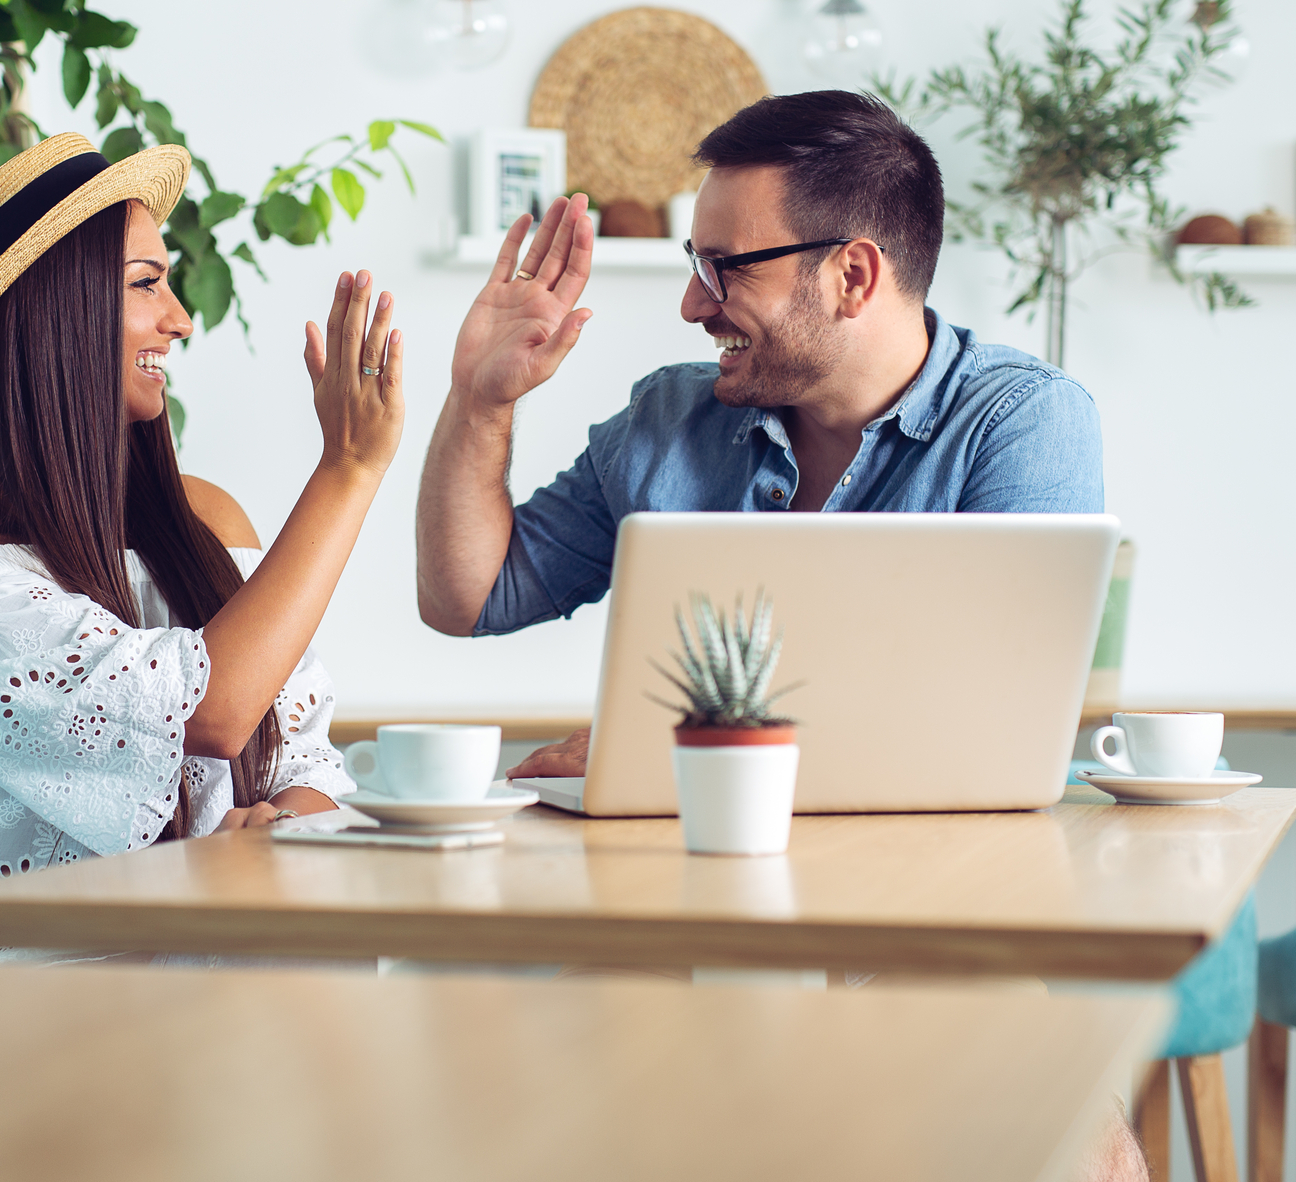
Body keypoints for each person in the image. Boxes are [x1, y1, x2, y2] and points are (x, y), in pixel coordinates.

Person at [416, 91, 1104, 779]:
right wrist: (479, 402)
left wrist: (675, 748)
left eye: (725, 267)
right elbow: (469, 598)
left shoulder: (1020, 422)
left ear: (852, 276)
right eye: (695, 265)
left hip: (923, 869)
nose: (692, 304)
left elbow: (992, 711)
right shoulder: (669, 418)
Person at [0, 135, 403, 961]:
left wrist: (279, 832)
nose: (179, 318)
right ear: (51, 314)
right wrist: (347, 469)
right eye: (146, 284)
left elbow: (303, 758)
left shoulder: (208, 522)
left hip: (200, 992)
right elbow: (208, 713)